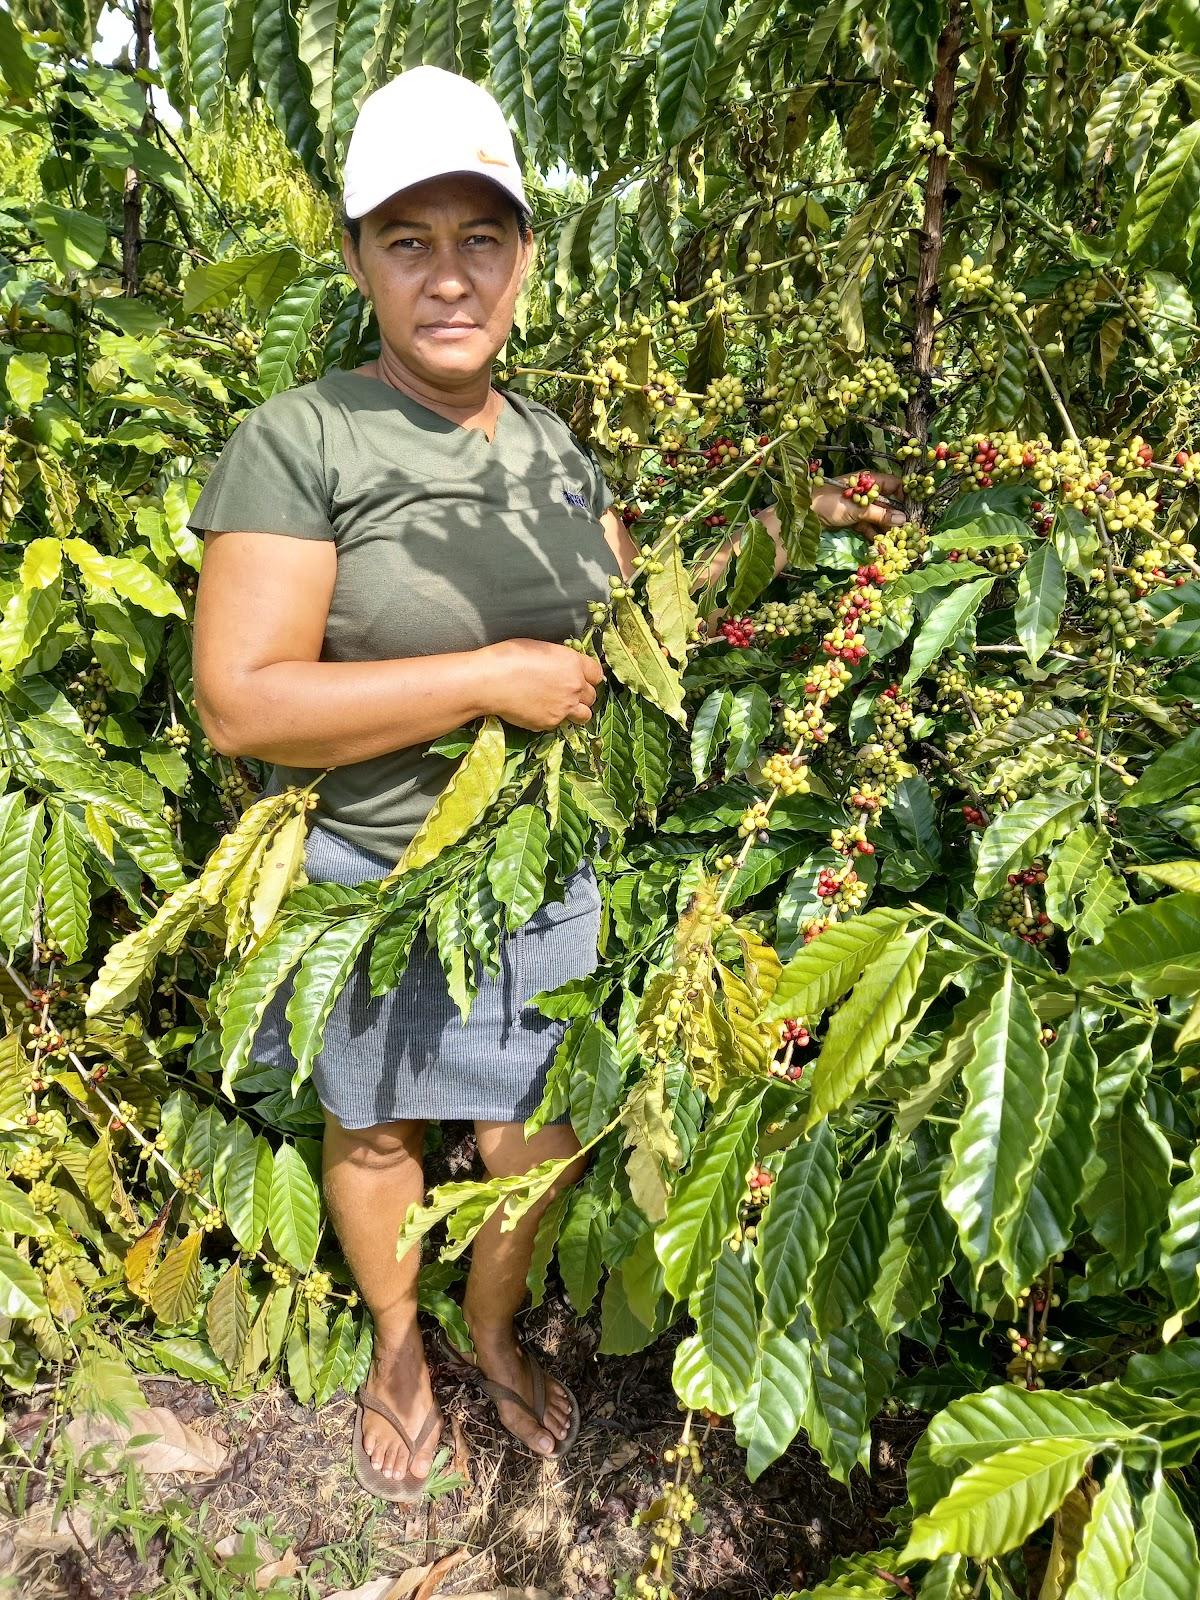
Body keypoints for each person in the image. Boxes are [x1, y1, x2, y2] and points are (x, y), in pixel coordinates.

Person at [189, 65, 907, 1503]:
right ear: (358, 262)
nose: (449, 276)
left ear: (523, 257)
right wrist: (484, 680)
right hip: (373, 879)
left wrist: (787, 518)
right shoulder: (305, 437)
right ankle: (400, 1346)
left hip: (541, 874)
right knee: (378, 1124)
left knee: (540, 1132)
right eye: (409, 241)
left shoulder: (553, 444)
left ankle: (493, 1330)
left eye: (482, 239)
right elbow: (241, 701)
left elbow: (636, 613)